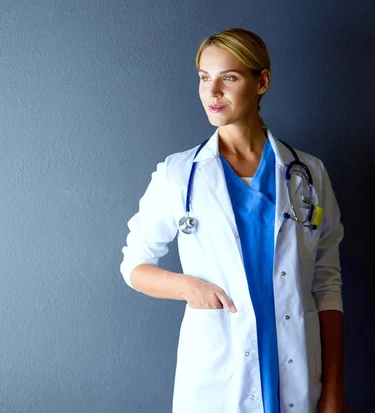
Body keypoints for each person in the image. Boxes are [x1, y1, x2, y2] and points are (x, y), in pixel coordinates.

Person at [120, 28, 346, 413]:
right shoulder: (179, 174)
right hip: (217, 383)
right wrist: (186, 286)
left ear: (262, 82)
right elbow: (133, 267)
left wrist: (335, 390)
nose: (212, 92)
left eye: (229, 77)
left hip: (295, 375)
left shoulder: (308, 173)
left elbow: (327, 283)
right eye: (204, 78)